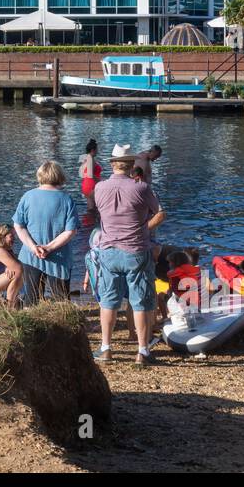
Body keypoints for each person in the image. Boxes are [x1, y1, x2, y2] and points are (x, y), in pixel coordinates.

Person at [91, 144, 166, 365]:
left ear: (112, 164)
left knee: (108, 301)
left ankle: (106, 348)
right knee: (140, 300)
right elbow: (161, 213)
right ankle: (142, 351)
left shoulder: (99, 188)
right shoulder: (141, 188)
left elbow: (103, 215)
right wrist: (145, 228)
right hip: (135, 249)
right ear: (132, 164)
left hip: (108, 250)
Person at [13, 161, 81, 304]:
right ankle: (62, 324)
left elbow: (18, 226)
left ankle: (32, 325)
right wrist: (49, 248)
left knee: (31, 298)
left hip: (31, 256)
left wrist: (33, 247)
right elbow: (71, 231)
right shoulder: (66, 199)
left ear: (40, 175)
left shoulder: (28, 196)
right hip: (59, 257)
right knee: (61, 300)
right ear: (59, 176)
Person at [0, 223, 24, 307]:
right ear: (2, 236)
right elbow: (19, 268)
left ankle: (12, 302)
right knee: (17, 273)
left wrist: (9, 266)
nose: (14, 238)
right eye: (11, 236)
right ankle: (11, 305)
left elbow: (20, 263)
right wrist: (11, 266)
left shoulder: (6, 250)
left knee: (17, 270)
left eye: (14, 235)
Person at [79, 139, 103, 215]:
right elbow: (90, 174)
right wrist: (101, 180)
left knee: (91, 207)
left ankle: (88, 224)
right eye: (97, 149)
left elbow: (82, 173)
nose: (97, 151)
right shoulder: (90, 158)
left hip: (86, 184)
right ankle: (90, 224)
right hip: (91, 185)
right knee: (93, 208)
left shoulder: (85, 158)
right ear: (93, 150)